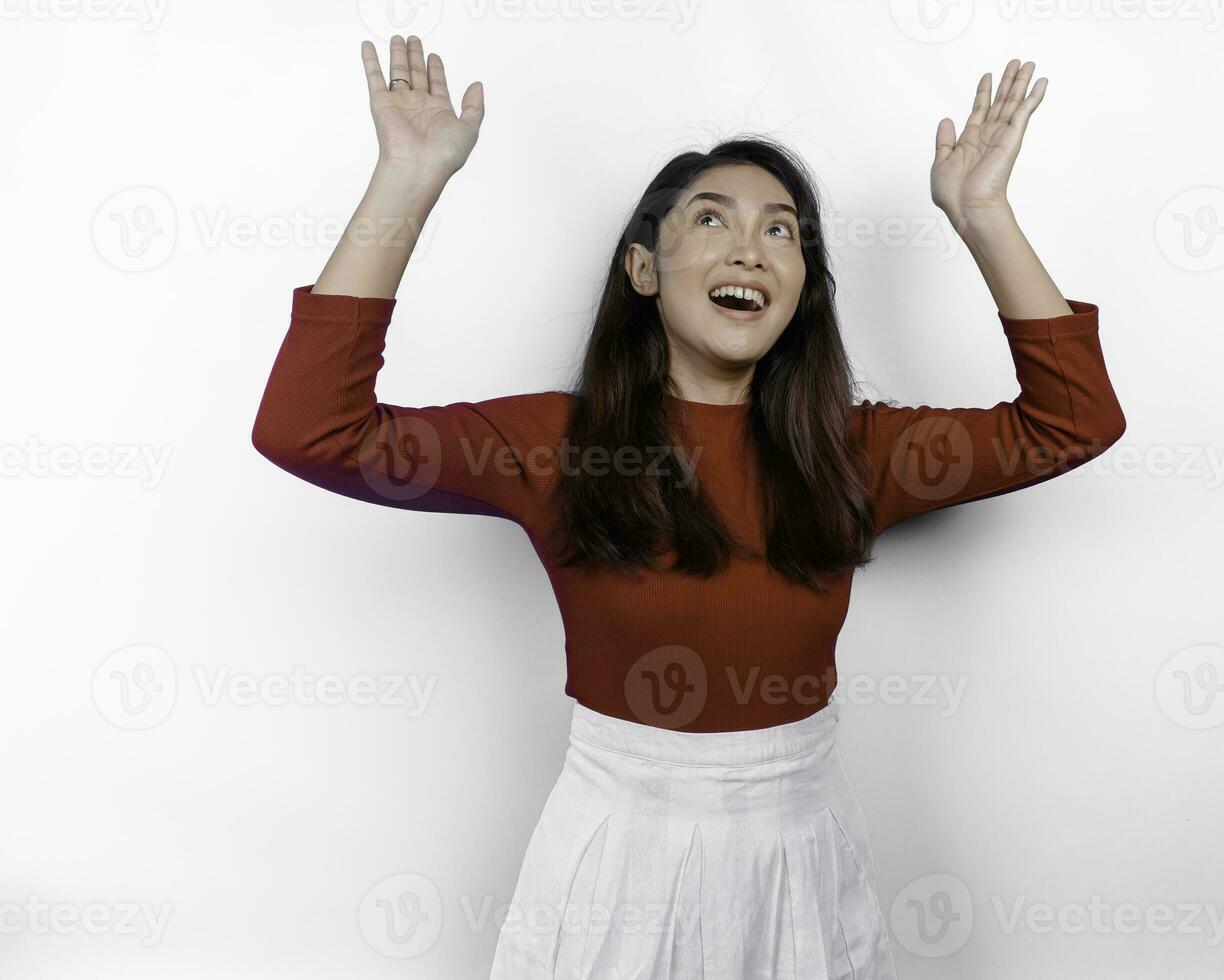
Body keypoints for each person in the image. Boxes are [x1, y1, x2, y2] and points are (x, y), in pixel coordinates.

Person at [251, 35, 1125, 980]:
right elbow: (310, 429)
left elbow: (1073, 422)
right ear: (643, 270)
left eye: (782, 229)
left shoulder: (856, 452)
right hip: (615, 855)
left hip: (803, 853)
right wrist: (406, 181)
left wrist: (982, 212)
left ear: (802, 291)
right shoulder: (556, 445)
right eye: (711, 220)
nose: (751, 245)